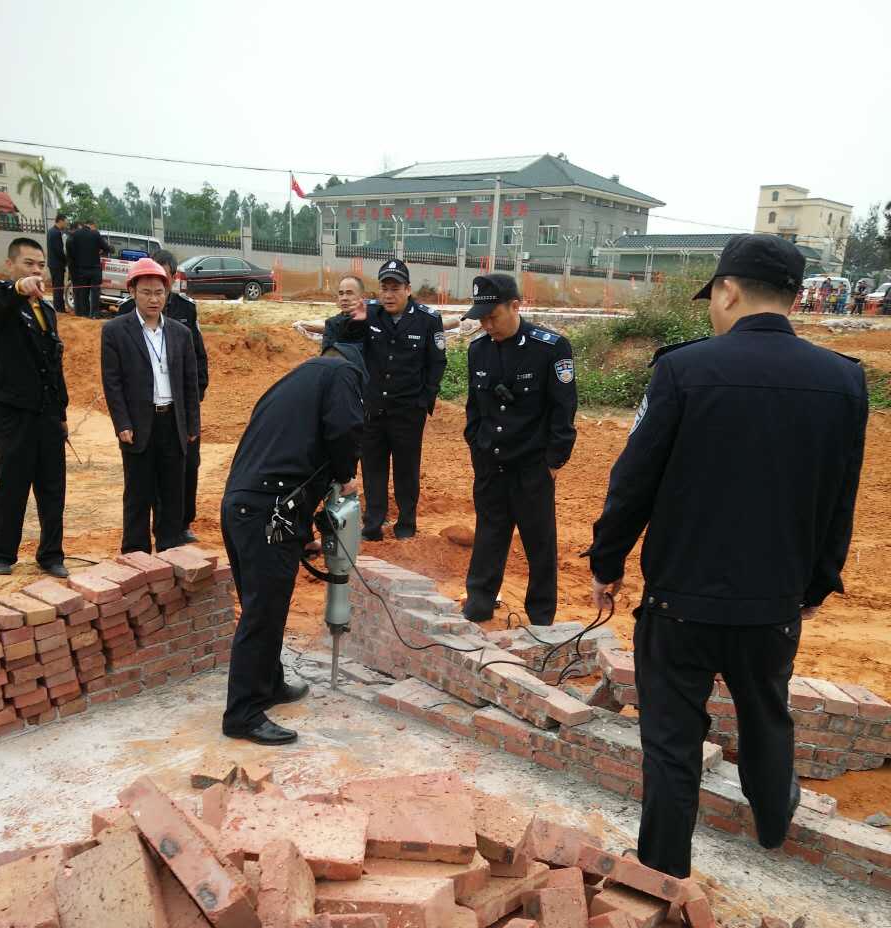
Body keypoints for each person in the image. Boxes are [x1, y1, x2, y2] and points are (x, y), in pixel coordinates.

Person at [586, 233, 868, 880]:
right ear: (793, 297)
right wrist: (816, 586)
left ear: (729, 290)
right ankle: (772, 826)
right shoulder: (844, 381)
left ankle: (663, 875)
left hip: (678, 603)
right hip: (773, 602)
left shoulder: (683, 370)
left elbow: (633, 483)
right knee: (767, 716)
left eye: (713, 295)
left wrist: (607, 562)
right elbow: (840, 499)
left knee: (671, 743)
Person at [220, 319, 367, 745]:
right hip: (267, 510)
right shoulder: (342, 374)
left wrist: (302, 530)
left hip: (245, 506)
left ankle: (268, 683)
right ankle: (243, 714)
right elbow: (344, 429)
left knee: (267, 605)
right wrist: (346, 474)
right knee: (262, 612)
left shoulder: (298, 378)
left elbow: (291, 447)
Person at [460, 272, 577, 625]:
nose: (487, 325)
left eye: (492, 317)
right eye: (481, 318)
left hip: (532, 466)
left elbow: (563, 409)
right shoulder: (478, 350)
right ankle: (479, 603)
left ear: (515, 306)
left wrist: (554, 461)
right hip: (491, 464)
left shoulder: (550, 348)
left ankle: (541, 616)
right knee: (489, 535)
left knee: (539, 543)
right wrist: (477, 445)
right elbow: (474, 408)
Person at [0, 237, 70, 578]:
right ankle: (2, 553)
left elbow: (54, 366)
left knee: (52, 488)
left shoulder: (46, 311)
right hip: (12, 414)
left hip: (47, 414)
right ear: (11, 265)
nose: (37, 270)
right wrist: (19, 287)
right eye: (29, 263)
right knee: (12, 485)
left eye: (41, 265)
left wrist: (61, 414)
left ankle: (51, 554)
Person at [101, 258, 200, 555]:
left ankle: (170, 548)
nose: (153, 299)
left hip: (172, 422)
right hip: (138, 424)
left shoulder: (180, 334)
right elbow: (112, 383)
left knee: (172, 491)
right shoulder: (115, 331)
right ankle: (136, 553)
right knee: (138, 492)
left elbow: (190, 383)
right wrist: (122, 423)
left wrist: (192, 425)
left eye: (159, 292)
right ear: (132, 291)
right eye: (146, 292)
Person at [359, 259, 446, 541]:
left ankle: (406, 524)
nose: (389, 295)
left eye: (395, 288)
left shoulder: (427, 319)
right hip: (373, 408)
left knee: (406, 470)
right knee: (372, 468)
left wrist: (424, 401)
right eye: (384, 288)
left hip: (408, 411)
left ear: (408, 289)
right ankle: (373, 523)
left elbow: (437, 362)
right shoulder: (370, 314)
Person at [67, 219, 110, 318]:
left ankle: (84, 314)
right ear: (92, 225)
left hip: (82, 270)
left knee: (84, 293)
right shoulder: (95, 234)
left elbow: (71, 251)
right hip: (95, 270)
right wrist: (99, 251)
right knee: (95, 293)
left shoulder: (76, 235)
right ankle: (94, 314)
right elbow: (106, 248)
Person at [47, 212, 68, 314]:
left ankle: (59, 307)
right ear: (60, 221)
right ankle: (59, 308)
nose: (66, 224)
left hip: (53, 264)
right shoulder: (56, 233)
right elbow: (58, 250)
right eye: (65, 222)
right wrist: (66, 260)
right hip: (57, 264)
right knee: (58, 287)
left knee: (57, 287)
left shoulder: (51, 231)